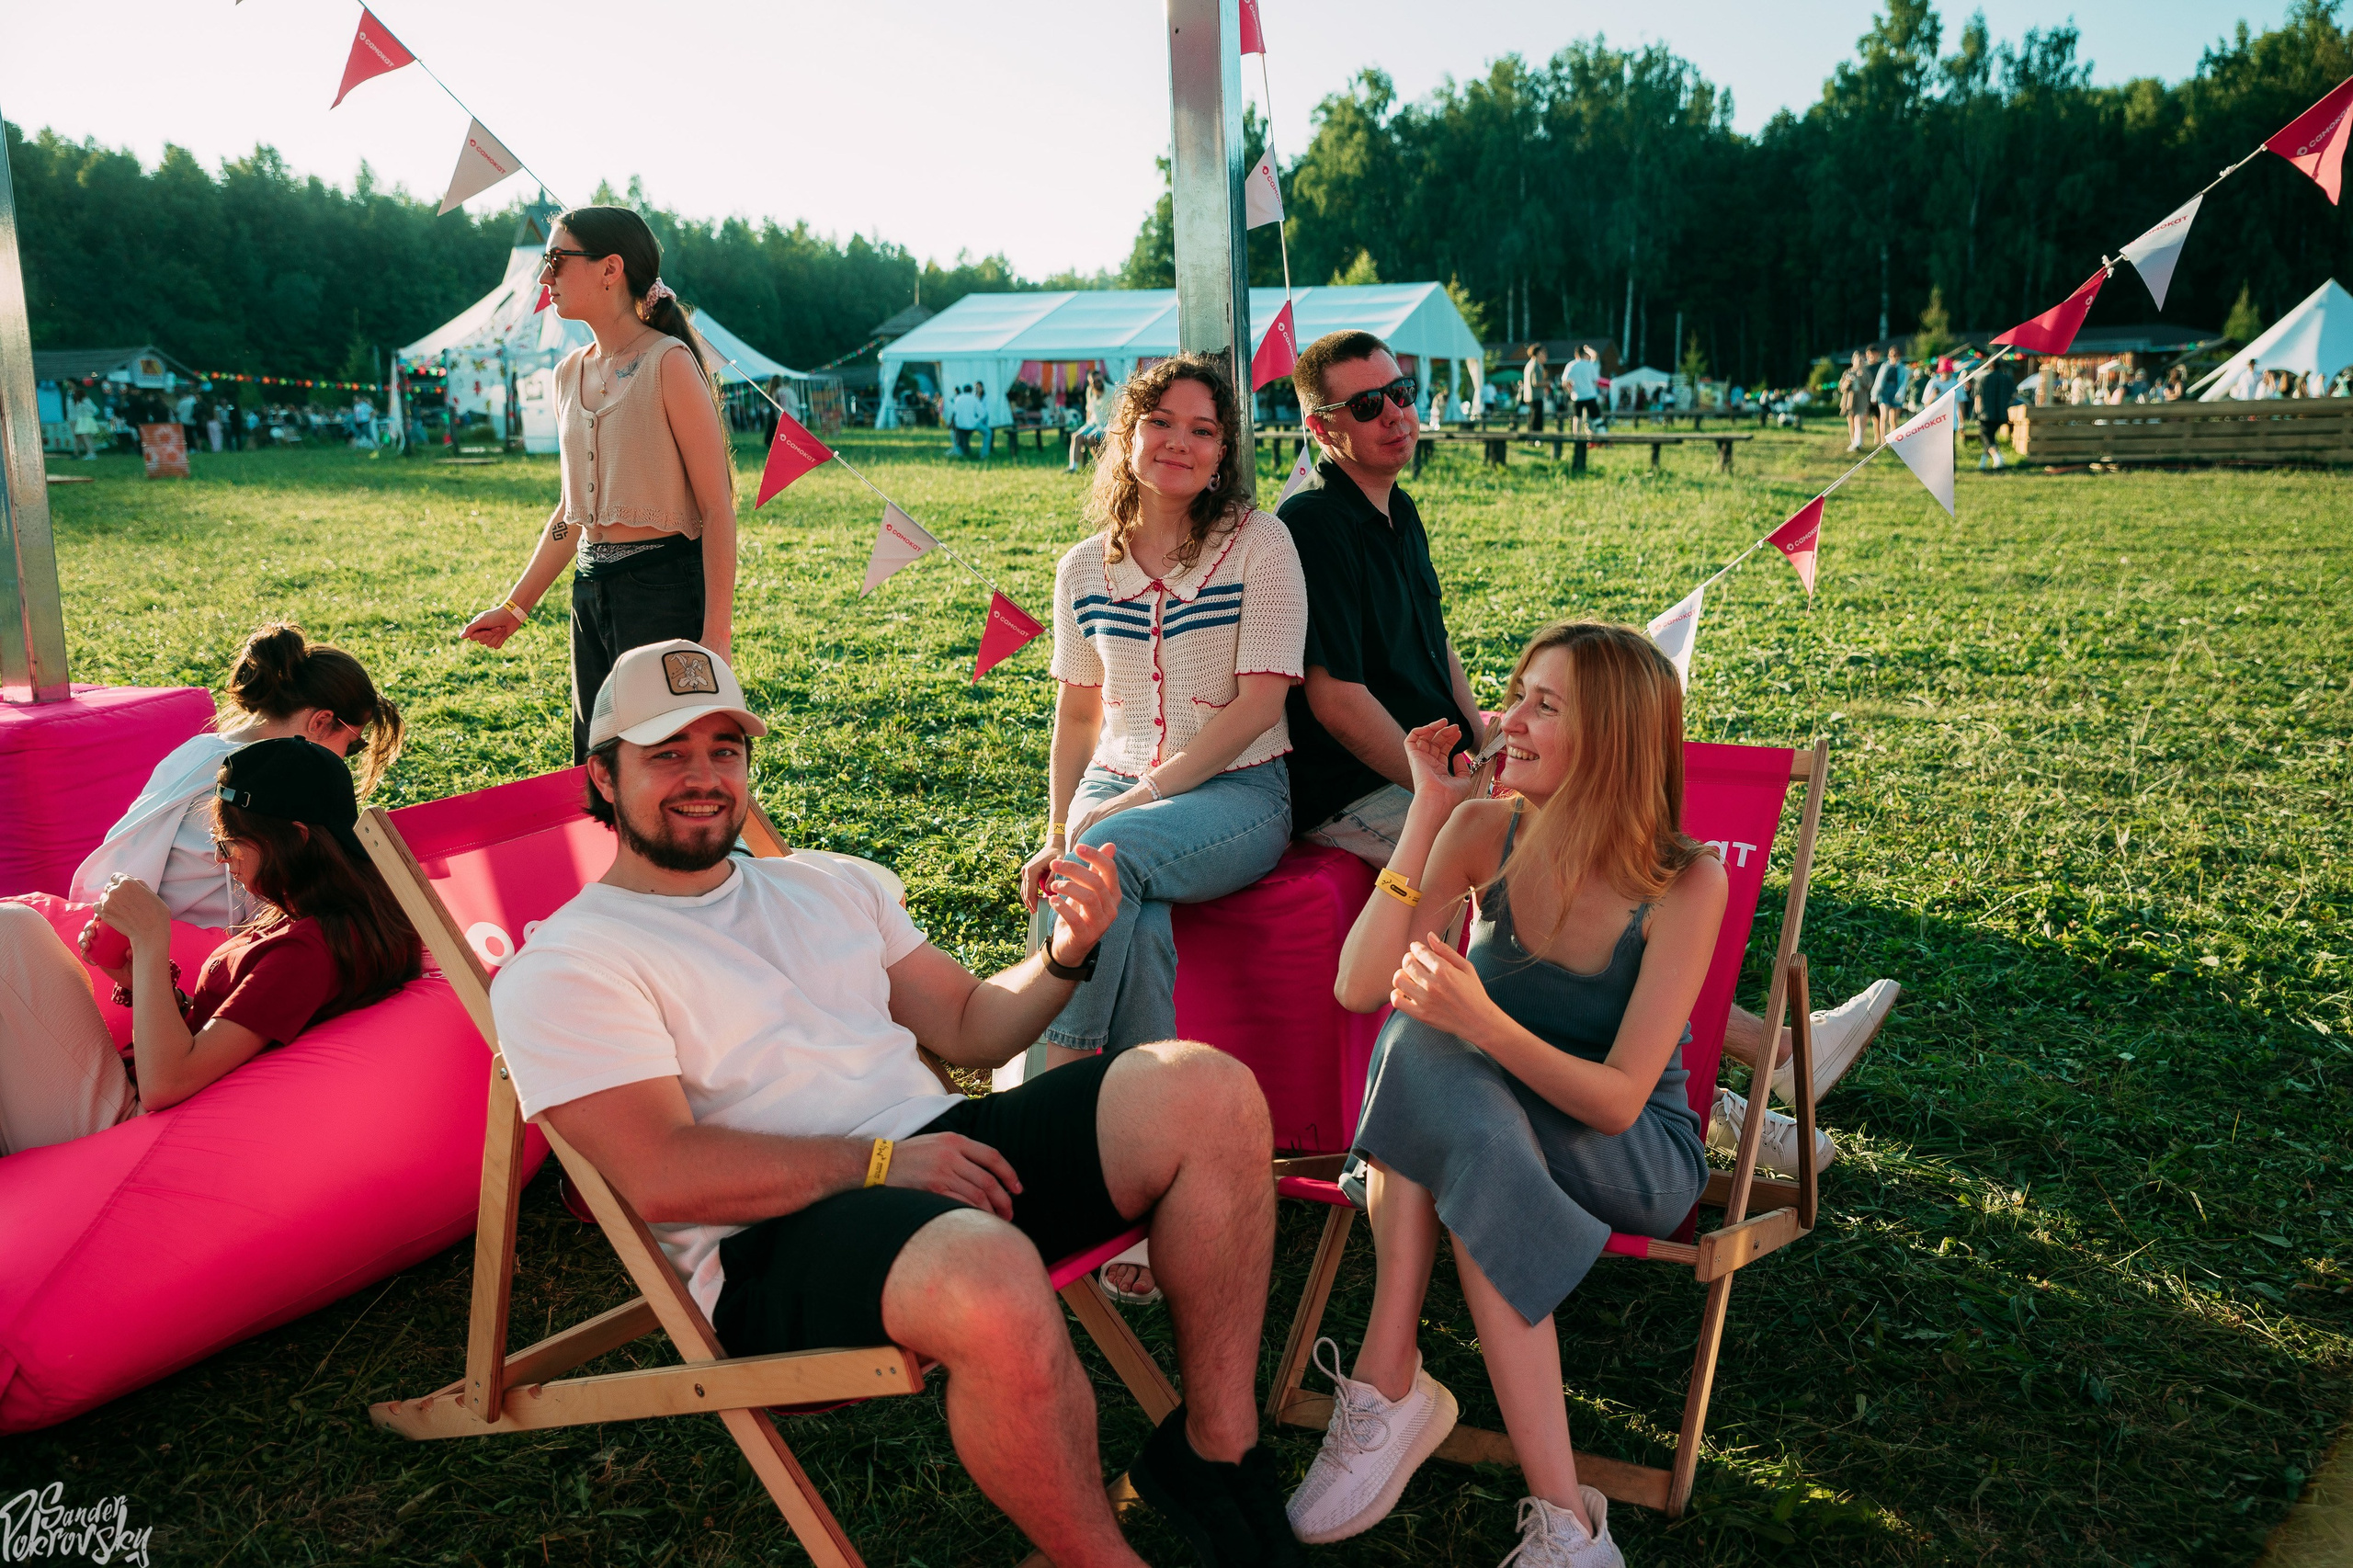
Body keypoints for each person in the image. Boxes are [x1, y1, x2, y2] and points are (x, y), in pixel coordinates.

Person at [489, 640, 1302, 1568]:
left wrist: (1065, 954)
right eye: (667, 753)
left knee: (1207, 1088)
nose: (704, 777)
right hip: (775, 1240)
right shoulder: (568, 965)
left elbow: (967, 1026)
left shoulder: (826, 882)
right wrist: (878, 1163)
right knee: (987, 1265)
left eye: (725, 748)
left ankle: (1215, 1451)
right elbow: (660, 1172)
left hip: (938, 1155)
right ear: (602, 773)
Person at [1286, 622, 1722, 1566]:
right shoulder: (1483, 828)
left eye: (1542, 705)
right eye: (1515, 693)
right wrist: (1426, 814)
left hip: (1635, 1155)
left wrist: (1483, 1023)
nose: (1506, 718)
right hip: (1496, 1130)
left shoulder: (1684, 881)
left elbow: (1616, 1100)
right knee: (1440, 1075)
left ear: (1607, 736)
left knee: (1440, 1060)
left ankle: (1390, 1383)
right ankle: (1566, 1524)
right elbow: (1357, 984)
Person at [1024, 355, 1303, 1068]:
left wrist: (1138, 800)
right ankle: (1134, 1121)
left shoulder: (1260, 543)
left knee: (1109, 857)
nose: (1179, 441)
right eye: (1161, 422)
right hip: (1113, 784)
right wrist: (1056, 831)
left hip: (1240, 789)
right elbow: (1080, 718)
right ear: (1127, 436)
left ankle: (1053, 1089)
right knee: (1130, 918)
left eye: (1203, 430)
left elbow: (1261, 704)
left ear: (1221, 455)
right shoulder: (1082, 567)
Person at [1, 738, 423, 1155]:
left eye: (231, 842)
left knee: (12, 931)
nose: (222, 859)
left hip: (127, 1127)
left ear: (295, 837)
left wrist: (151, 939)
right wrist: (151, 986)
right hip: (125, 1100)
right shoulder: (307, 923)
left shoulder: (309, 954)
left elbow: (166, 1083)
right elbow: (225, 1030)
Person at [458, 205, 741, 765]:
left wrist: (716, 638)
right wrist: (516, 607)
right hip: (590, 591)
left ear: (610, 268)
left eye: (556, 260)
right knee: (600, 759)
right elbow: (570, 513)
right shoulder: (568, 373)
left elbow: (717, 507)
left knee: (665, 758)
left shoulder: (669, 362)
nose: (545, 278)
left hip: (664, 590)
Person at [1279, 330, 1486, 869]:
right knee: (1503, 858)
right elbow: (1338, 702)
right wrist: (1440, 788)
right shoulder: (1312, 525)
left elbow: (1435, 643)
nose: (1395, 414)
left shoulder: (1402, 508)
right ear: (1321, 428)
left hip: (1427, 770)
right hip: (1355, 788)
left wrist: (1486, 749)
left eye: (1403, 392)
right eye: (1368, 405)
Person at [71, 623, 403, 928]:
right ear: (320, 722)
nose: (345, 758)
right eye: (351, 744)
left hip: (128, 925)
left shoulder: (197, 749)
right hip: (184, 949)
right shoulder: (271, 786)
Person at [1066, 367, 1116, 473]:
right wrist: (1087, 424)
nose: (1097, 383)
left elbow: (1116, 414)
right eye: (1094, 381)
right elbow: (1089, 409)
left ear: (1102, 379)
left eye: (1099, 380)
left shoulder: (1112, 391)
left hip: (1107, 424)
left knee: (1091, 438)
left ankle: (1102, 466)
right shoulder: (1089, 391)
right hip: (1093, 423)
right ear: (1090, 382)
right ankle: (1073, 467)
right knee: (1076, 436)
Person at [1975, 356, 2017, 471]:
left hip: (1985, 413)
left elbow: (1977, 396)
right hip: (2001, 414)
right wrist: (2005, 403)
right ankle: (1982, 463)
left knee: (1987, 438)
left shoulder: (1982, 379)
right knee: (1989, 437)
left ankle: (1998, 459)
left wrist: (1977, 412)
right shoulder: (2007, 379)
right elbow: (2013, 395)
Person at [1563, 346, 1602, 436]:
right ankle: (1593, 435)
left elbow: (1565, 383)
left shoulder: (1571, 365)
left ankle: (1576, 436)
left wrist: (1570, 392)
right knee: (1594, 417)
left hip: (1577, 396)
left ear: (1576, 354)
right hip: (1590, 395)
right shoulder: (1589, 365)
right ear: (1585, 354)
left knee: (1577, 418)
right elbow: (1595, 381)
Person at [1839, 350, 1870, 452]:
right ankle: (1853, 442)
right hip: (1850, 399)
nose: (1860, 362)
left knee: (1859, 419)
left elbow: (1869, 384)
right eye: (1858, 360)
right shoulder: (1847, 372)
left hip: (1861, 398)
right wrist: (1848, 382)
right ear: (1853, 361)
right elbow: (1841, 387)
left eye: (1862, 360)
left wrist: (1861, 378)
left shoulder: (1865, 372)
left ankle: (1859, 442)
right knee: (1851, 420)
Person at [1518, 344, 1549, 433]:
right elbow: (1536, 383)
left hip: (1529, 396)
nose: (1545, 355)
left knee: (1532, 417)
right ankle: (1536, 437)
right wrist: (1547, 383)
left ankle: (1531, 437)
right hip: (1536, 396)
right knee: (1537, 419)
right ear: (1538, 353)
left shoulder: (1529, 364)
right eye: (1543, 352)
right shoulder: (1536, 365)